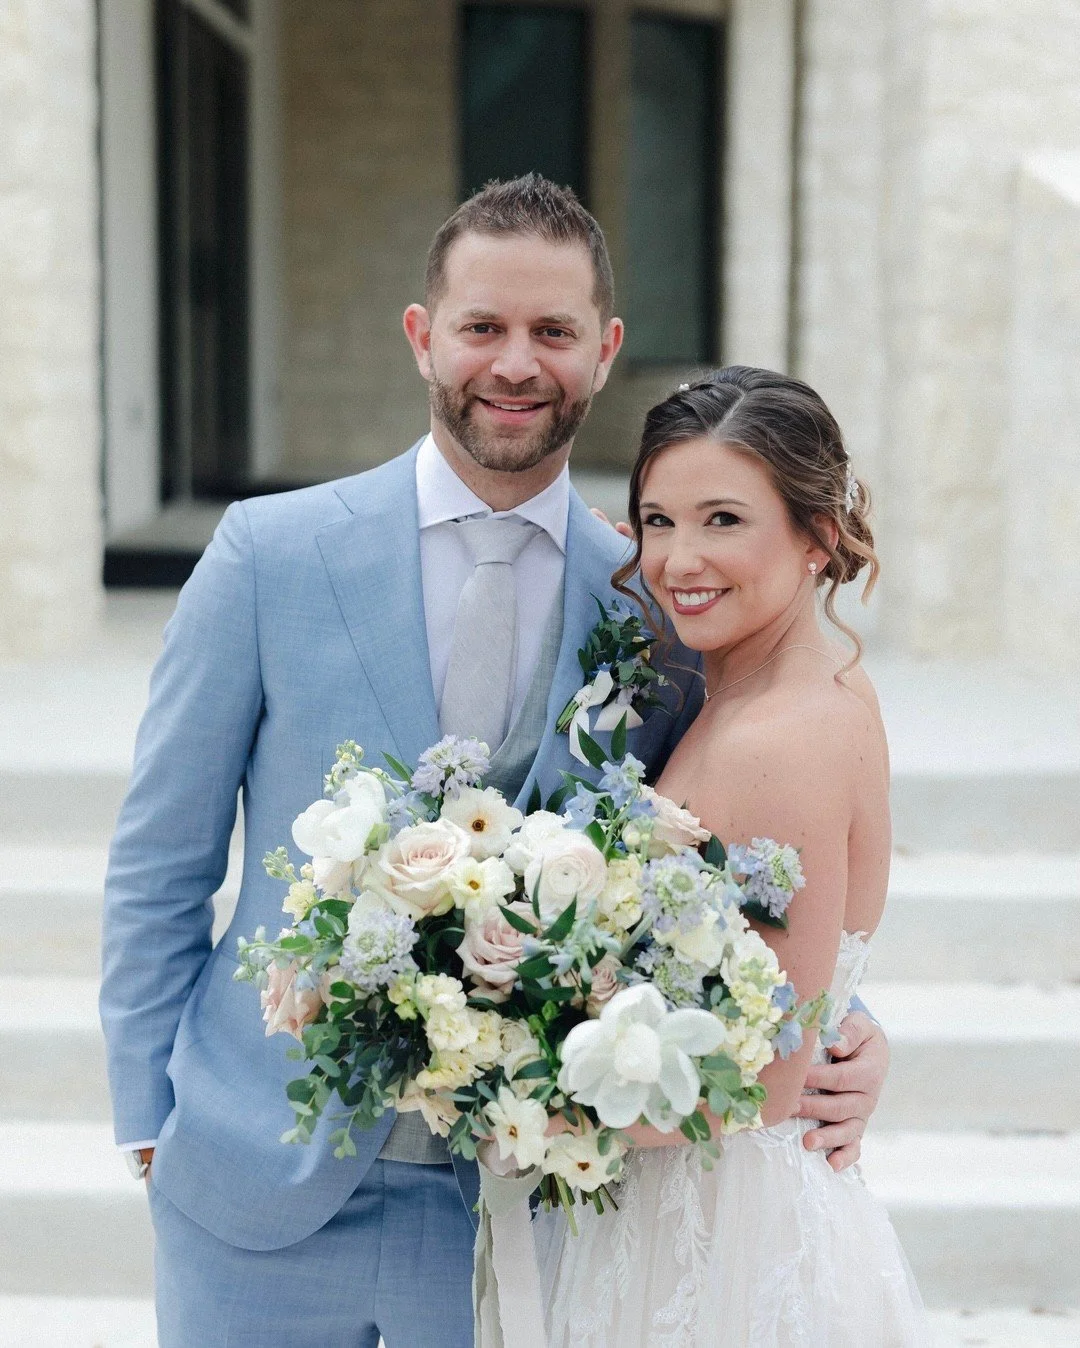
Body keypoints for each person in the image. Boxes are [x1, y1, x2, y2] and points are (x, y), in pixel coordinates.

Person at [99, 176, 889, 1347]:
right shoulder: (269, 554)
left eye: (553, 331)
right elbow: (160, 860)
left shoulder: (662, 610)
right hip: (254, 1185)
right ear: (424, 337)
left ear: (603, 351)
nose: (516, 364)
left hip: (522, 1218)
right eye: (484, 326)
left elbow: (728, 869)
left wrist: (845, 1027)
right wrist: (148, 1122)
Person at [539, 366, 929, 1346]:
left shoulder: (775, 741)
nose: (678, 559)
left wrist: (524, 1106)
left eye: (723, 520)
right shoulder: (800, 682)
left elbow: (764, 1079)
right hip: (713, 1207)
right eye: (657, 521)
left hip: (722, 1241)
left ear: (816, 535)